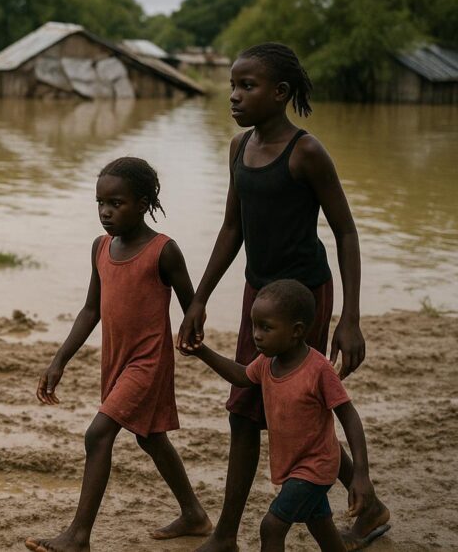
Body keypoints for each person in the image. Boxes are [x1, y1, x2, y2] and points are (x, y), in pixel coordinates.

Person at [177, 42, 389, 551]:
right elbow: (232, 228)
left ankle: (358, 506)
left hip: (303, 299)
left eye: (247, 86)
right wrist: (199, 299)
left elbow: (346, 231)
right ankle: (228, 534)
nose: (234, 95)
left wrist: (350, 318)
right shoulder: (238, 148)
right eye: (232, 85)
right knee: (246, 408)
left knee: (300, 407)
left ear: (281, 92)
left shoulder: (306, 152)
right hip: (260, 296)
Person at [25, 157, 212, 552]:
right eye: (100, 203)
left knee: (98, 434)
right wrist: (59, 360)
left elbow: (192, 307)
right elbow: (90, 310)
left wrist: (193, 335)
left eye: (116, 203)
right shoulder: (101, 248)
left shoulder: (163, 251)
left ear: (142, 204)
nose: (105, 212)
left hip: (148, 362)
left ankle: (78, 536)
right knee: (151, 439)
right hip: (115, 359)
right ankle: (194, 514)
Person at [187, 279, 380, 552]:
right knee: (321, 525)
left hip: (316, 466)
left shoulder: (318, 370)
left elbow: (349, 417)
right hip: (292, 465)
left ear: (296, 331)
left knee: (272, 526)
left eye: (266, 327)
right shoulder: (268, 362)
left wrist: (361, 474)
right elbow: (241, 376)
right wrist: (202, 352)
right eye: (254, 326)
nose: (256, 335)